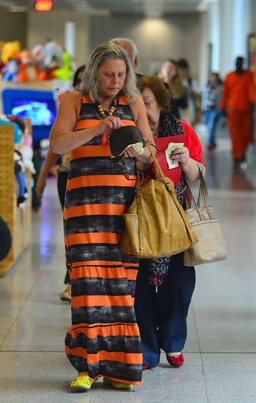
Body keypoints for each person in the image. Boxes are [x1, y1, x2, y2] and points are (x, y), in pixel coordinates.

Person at [49, 41, 155, 392]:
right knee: (87, 288)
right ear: (94, 73)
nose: (115, 81)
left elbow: (151, 150)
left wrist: (140, 152)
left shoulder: (134, 102)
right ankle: (87, 367)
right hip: (83, 207)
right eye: (109, 74)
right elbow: (58, 145)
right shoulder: (73, 102)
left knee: (121, 289)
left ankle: (122, 369)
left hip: (123, 208)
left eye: (121, 75)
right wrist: (97, 130)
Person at [134, 75, 205, 370]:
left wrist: (187, 161)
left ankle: (173, 339)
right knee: (138, 290)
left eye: (147, 104)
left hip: (176, 221)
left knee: (179, 286)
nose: (144, 112)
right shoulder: (128, 133)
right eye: (136, 105)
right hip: (138, 223)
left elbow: (199, 177)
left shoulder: (182, 131)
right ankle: (146, 350)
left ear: (162, 104)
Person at [36, 65, 86, 302]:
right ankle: (72, 282)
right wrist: (43, 174)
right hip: (67, 173)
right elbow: (55, 144)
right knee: (71, 230)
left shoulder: (107, 108)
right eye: (78, 80)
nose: (82, 84)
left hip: (95, 177)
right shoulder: (70, 105)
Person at [219, 56, 255, 170]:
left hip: (245, 111)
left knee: (246, 135)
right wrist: (223, 107)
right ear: (235, 63)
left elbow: (252, 90)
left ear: (243, 63)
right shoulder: (229, 76)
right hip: (232, 110)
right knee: (235, 136)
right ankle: (237, 157)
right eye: (237, 62)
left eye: (240, 62)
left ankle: (242, 153)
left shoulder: (249, 75)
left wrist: (253, 104)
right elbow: (225, 93)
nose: (238, 64)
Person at [159, 59, 192, 125]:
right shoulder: (155, 85)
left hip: (173, 122)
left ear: (175, 71)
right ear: (162, 69)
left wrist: (188, 123)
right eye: (166, 67)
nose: (168, 70)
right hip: (158, 121)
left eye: (171, 68)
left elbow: (185, 108)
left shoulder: (180, 88)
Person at [201, 72, 222, 151]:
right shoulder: (207, 87)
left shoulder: (220, 88)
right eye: (212, 77)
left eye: (215, 77)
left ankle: (210, 143)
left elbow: (221, 99)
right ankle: (213, 142)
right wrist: (202, 108)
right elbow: (204, 98)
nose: (213, 79)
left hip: (215, 110)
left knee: (211, 126)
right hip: (206, 110)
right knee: (207, 125)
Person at [177, 58, 202, 126]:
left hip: (190, 108)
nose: (182, 72)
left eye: (184, 69)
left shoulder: (191, 82)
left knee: (189, 127)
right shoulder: (175, 82)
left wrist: (191, 90)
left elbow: (199, 95)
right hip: (178, 109)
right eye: (180, 69)